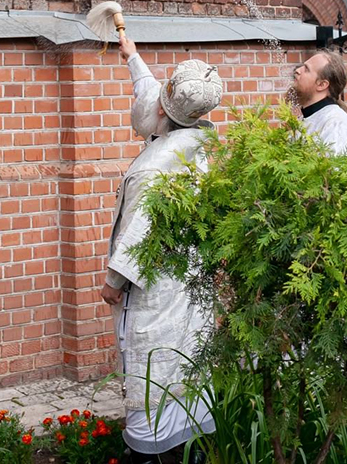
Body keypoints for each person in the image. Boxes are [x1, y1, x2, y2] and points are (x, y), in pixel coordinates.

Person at [101, 35, 222, 464]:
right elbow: (153, 98)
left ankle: (150, 454)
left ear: (163, 109)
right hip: (191, 277)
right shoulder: (200, 139)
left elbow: (138, 231)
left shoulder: (153, 169)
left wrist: (113, 282)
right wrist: (132, 57)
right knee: (187, 359)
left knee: (150, 365)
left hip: (155, 283)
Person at [292, 49, 347, 157]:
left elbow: (338, 171)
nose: (298, 70)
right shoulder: (306, 117)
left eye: (306, 69)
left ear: (322, 85)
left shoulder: (336, 123)